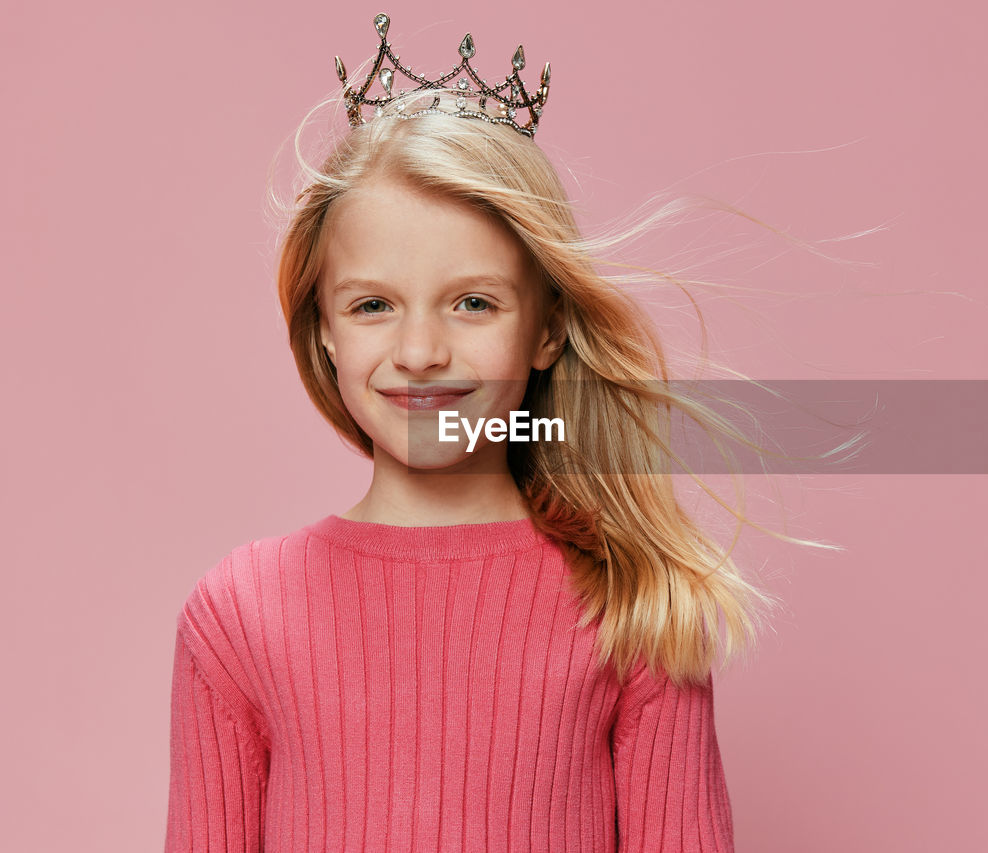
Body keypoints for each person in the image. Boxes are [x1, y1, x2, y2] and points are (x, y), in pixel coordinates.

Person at [165, 12, 823, 852]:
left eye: (473, 301)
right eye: (373, 305)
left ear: (546, 327)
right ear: (323, 328)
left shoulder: (631, 604)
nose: (420, 351)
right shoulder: (237, 613)